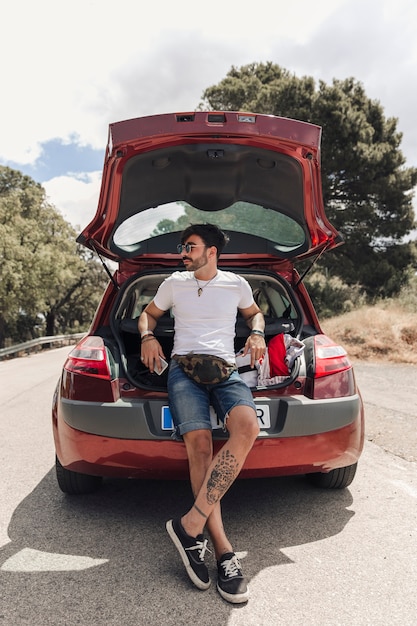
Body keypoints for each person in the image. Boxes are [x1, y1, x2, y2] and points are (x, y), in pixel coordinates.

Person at [138, 223, 266, 604]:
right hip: (182, 370)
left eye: (190, 246)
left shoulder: (236, 284)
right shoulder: (174, 283)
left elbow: (255, 314)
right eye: (182, 246)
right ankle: (224, 550)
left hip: (226, 369)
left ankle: (188, 526)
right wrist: (146, 336)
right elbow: (148, 314)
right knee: (200, 445)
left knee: (247, 428)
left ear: (212, 251)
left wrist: (257, 332)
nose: (183, 252)